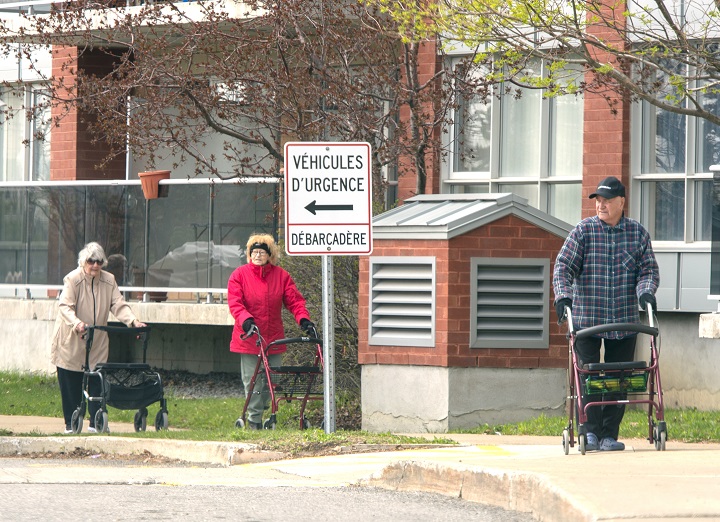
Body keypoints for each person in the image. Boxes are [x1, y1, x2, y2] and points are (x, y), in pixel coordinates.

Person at [553, 176, 659, 452]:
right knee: (589, 376)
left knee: (617, 378)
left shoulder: (637, 233)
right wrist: (563, 296)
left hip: (623, 319)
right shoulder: (583, 232)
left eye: (607, 200)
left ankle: (609, 435)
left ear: (621, 202)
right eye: (598, 200)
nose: (601, 205)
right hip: (588, 319)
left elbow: (648, 270)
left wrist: (646, 291)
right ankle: (589, 433)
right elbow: (563, 266)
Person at [50, 242, 146, 433]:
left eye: (99, 261)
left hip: (97, 341)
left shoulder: (109, 280)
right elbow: (64, 307)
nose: (95, 265)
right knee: (72, 382)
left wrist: (133, 321)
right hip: (72, 339)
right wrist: (77, 323)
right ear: (83, 261)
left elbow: (118, 304)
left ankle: (96, 423)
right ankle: (71, 424)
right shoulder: (72, 279)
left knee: (97, 380)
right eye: (91, 261)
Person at [227, 233, 315, 430]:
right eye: (254, 252)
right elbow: (235, 303)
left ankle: (262, 408)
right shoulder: (239, 276)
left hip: (274, 338)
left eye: (262, 252)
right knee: (254, 382)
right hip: (249, 337)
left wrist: (304, 319)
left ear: (270, 255)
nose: (258, 255)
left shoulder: (281, 276)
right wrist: (246, 320)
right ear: (249, 254)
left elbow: (295, 301)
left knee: (272, 381)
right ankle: (254, 419)